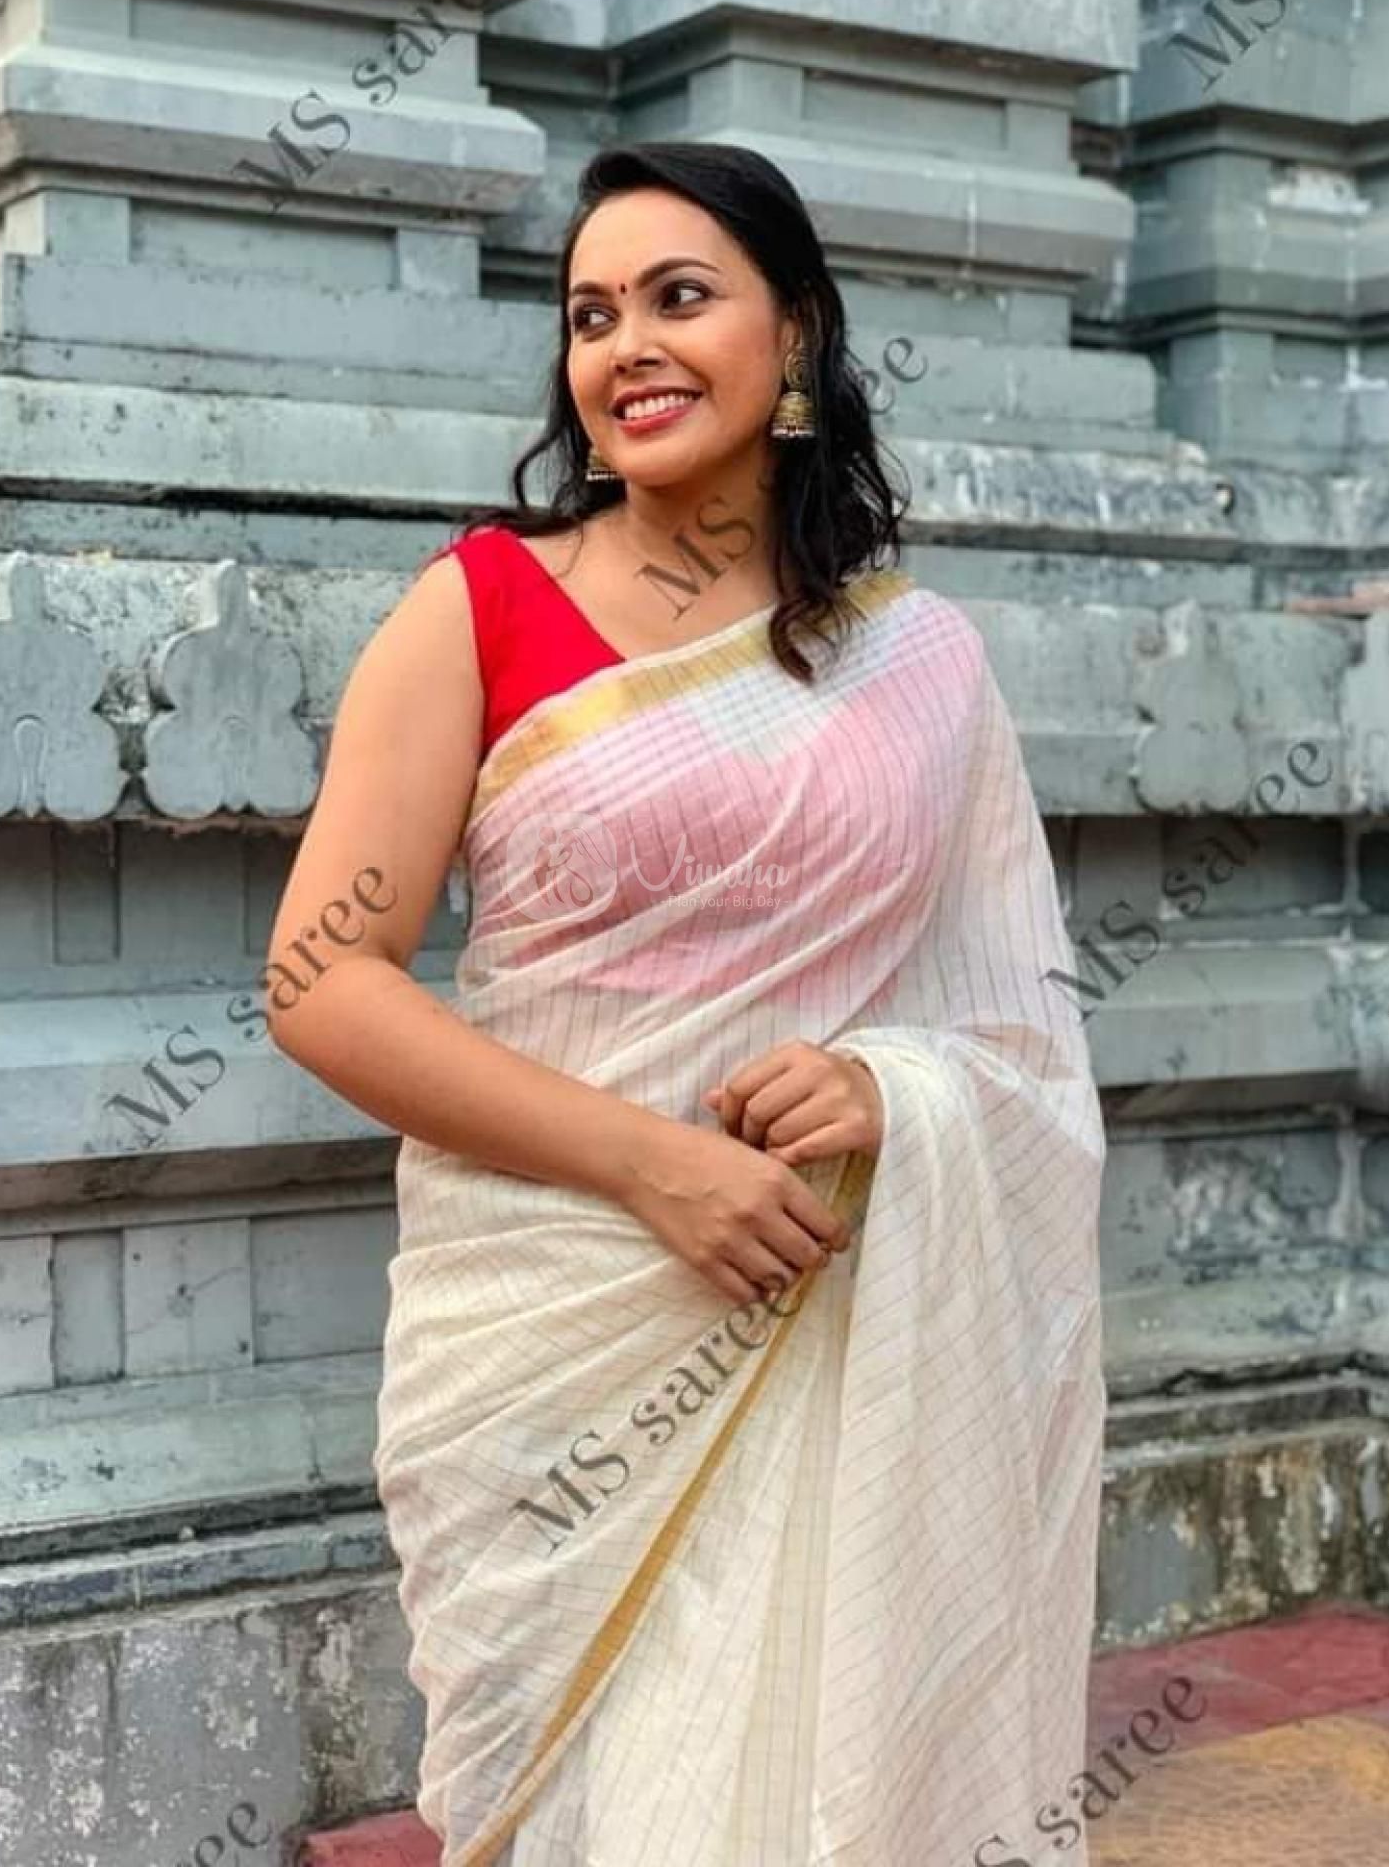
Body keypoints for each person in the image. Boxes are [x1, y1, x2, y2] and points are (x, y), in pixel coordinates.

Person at [268, 141, 1107, 1867]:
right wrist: (656, 1166)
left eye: (678, 297)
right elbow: (320, 981)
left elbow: (1018, 1028)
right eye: (590, 315)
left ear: (794, 335)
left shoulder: (917, 659)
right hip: (554, 1327)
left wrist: (894, 1090)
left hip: (827, 1294)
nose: (626, 346)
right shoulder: (482, 608)